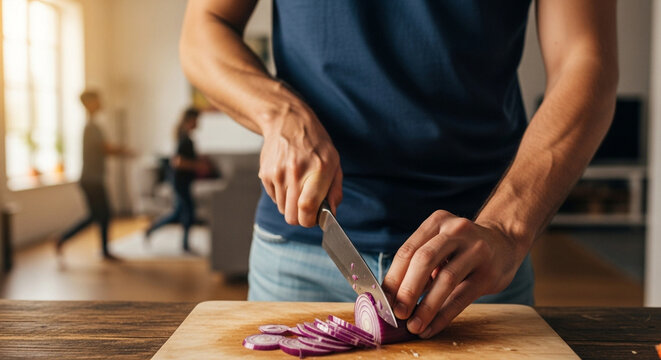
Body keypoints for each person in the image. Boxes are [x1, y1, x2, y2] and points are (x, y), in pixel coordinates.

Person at [180, 0, 617, 338]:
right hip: (300, 250)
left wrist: (506, 229)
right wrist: (278, 113)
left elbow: (586, 60)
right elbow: (203, 28)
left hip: (474, 263)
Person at [56, 90, 132, 260]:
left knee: (98, 215)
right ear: (90, 103)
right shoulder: (91, 127)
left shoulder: (92, 126)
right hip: (91, 180)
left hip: (92, 179)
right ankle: (98, 248)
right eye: (98, 100)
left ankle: (66, 239)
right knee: (102, 214)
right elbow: (105, 148)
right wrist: (125, 151)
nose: (101, 102)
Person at [145, 107, 206, 252]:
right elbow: (177, 162)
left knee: (180, 212)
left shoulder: (184, 137)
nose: (199, 123)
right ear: (191, 120)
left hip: (182, 181)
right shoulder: (185, 139)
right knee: (187, 212)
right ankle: (183, 244)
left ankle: (152, 229)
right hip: (180, 181)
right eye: (197, 120)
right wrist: (197, 165)